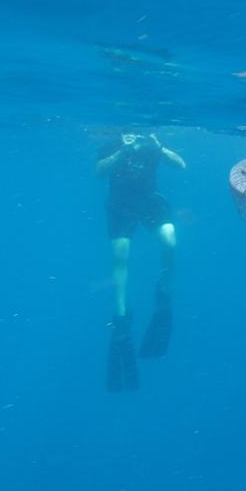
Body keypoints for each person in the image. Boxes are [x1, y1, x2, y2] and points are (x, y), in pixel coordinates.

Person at [97, 132, 186, 391]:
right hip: (119, 204)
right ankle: (121, 316)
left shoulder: (151, 140)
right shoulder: (113, 142)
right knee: (121, 255)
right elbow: (99, 172)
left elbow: (181, 164)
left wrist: (160, 148)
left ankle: (164, 290)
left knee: (169, 239)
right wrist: (120, 152)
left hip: (149, 200)